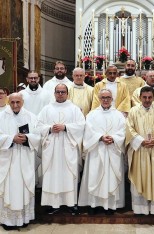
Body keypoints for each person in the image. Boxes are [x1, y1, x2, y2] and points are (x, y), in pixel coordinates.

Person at [37, 84, 85, 215]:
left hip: (68, 147)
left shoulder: (74, 109)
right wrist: (49, 129)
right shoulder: (46, 109)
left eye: (63, 92)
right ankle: (53, 204)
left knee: (69, 175)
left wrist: (65, 127)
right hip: (51, 147)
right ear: (54, 93)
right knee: (53, 175)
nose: (60, 94)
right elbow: (38, 125)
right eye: (58, 92)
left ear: (67, 93)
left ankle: (71, 203)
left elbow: (81, 125)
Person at [79, 89, 126, 215]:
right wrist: (100, 138)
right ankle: (94, 204)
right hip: (96, 150)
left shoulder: (119, 115)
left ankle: (110, 205)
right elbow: (88, 131)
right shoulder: (92, 115)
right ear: (99, 99)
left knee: (111, 178)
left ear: (112, 99)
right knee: (95, 176)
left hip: (113, 150)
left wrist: (114, 138)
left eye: (108, 97)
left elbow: (123, 131)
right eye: (103, 97)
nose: (105, 100)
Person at [126, 86, 154, 215]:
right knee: (139, 178)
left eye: (150, 97)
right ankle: (140, 209)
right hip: (139, 151)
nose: (147, 100)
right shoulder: (133, 111)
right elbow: (129, 129)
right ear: (139, 97)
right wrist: (140, 141)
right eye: (144, 97)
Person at [0, 93, 40, 230]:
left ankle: (24, 218)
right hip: (8, 161)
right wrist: (11, 138)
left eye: (18, 102)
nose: (15, 105)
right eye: (12, 102)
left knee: (24, 187)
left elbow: (38, 135)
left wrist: (27, 138)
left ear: (22, 102)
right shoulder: (1, 116)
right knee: (8, 189)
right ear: (8, 101)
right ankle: (8, 220)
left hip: (24, 158)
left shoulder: (31, 116)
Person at [19, 71, 50, 187]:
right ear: (27, 79)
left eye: (35, 78)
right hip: (27, 130)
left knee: (42, 157)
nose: (33, 80)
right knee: (29, 158)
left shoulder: (47, 94)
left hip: (42, 129)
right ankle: (30, 184)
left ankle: (42, 185)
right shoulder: (21, 94)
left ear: (39, 79)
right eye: (31, 78)